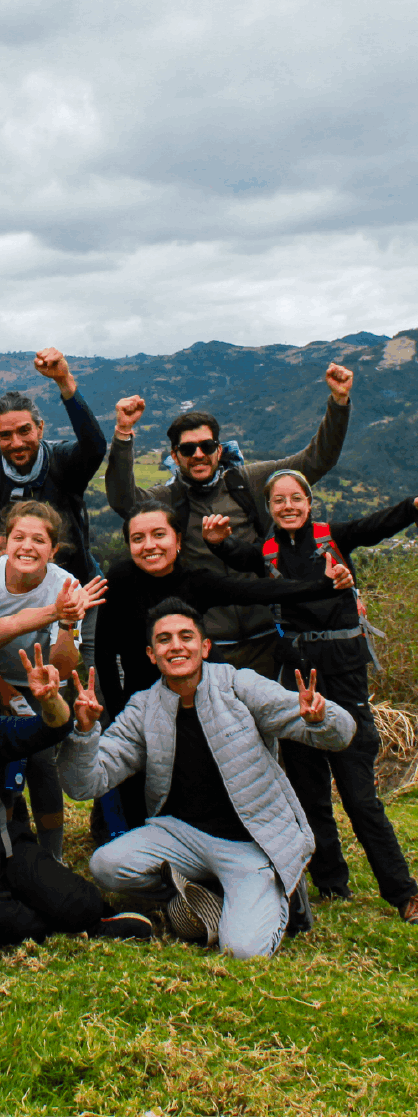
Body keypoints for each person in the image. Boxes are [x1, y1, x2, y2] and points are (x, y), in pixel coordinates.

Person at [205, 467, 418, 925]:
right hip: (296, 680)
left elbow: (374, 526)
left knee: (360, 796)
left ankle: (403, 894)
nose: (288, 506)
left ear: (309, 502)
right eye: (278, 501)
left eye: (295, 498)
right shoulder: (267, 551)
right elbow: (238, 558)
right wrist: (218, 541)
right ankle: (331, 883)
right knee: (308, 790)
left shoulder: (333, 538)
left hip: (344, 680)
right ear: (270, 509)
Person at [58, 598, 356, 960]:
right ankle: (215, 894)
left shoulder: (239, 686)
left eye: (186, 636)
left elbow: (341, 733)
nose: (177, 646)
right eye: (164, 640)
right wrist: (85, 732)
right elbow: (83, 785)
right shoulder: (143, 708)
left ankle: (278, 892)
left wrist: (318, 718)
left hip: (251, 842)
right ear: (152, 655)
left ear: (205, 646)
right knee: (106, 865)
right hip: (182, 836)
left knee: (244, 952)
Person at [91, 500, 355, 834]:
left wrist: (322, 585)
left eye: (159, 535)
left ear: (177, 539)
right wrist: (116, 711)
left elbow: (253, 590)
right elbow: (104, 654)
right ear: (129, 544)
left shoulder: (194, 581)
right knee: (134, 775)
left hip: (197, 696)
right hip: (140, 698)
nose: (150, 546)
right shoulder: (120, 579)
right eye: (138, 538)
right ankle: (128, 840)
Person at [104, 362, 354, 680]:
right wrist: (123, 434)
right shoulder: (167, 500)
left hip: (268, 637)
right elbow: (123, 502)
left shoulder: (249, 481)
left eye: (206, 446)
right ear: (175, 455)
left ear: (219, 450)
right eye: (188, 448)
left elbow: (317, 460)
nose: (198, 454)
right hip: (209, 647)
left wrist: (339, 402)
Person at [0, 644, 152, 946]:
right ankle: (60, 926)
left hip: (4, 842)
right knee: (16, 925)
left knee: (82, 903)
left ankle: (83, 919)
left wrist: (51, 702)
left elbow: (45, 729)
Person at [0, 501, 108, 862]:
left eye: (38, 540)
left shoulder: (67, 586)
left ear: (53, 549)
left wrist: (66, 623)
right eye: (19, 537)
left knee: (41, 764)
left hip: (37, 684)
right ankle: (12, 842)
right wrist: (52, 612)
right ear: (6, 541)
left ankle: (52, 854)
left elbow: (61, 669)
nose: (27, 547)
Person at [0, 347, 108, 667]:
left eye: (24, 431)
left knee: (74, 673)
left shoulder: (61, 463)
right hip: (13, 595)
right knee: (13, 671)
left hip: (75, 594)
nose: (17, 442)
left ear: (41, 429)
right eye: (5, 435)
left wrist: (65, 382)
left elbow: (94, 447)